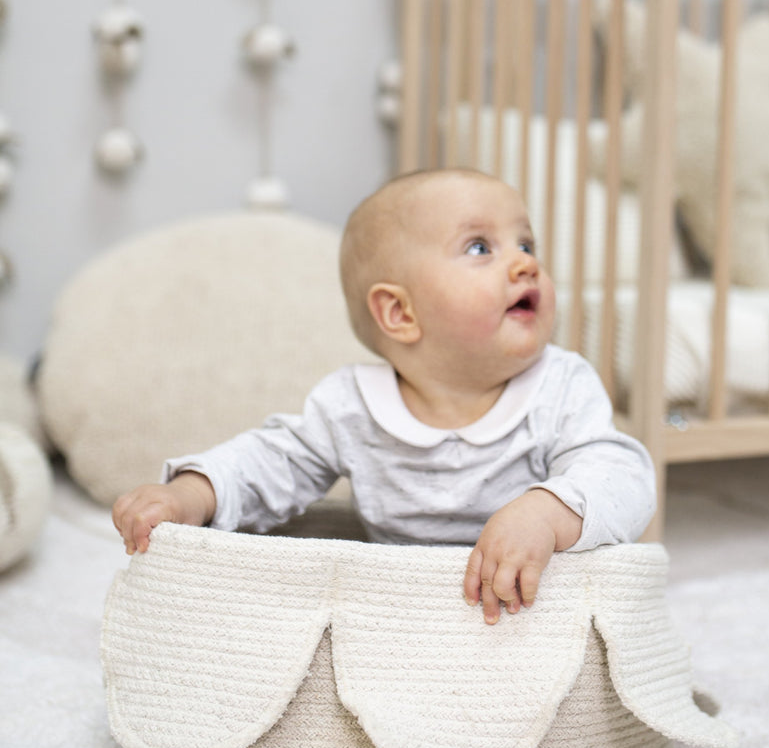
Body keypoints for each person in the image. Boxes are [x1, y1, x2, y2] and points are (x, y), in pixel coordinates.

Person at [112, 168, 657, 623]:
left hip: (527, 612)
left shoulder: (560, 386)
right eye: (479, 247)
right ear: (400, 313)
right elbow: (271, 461)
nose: (524, 263)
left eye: (526, 243)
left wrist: (544, 514)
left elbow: (622, 475)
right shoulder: (352, 406)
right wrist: (192, 492)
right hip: (402, 618)